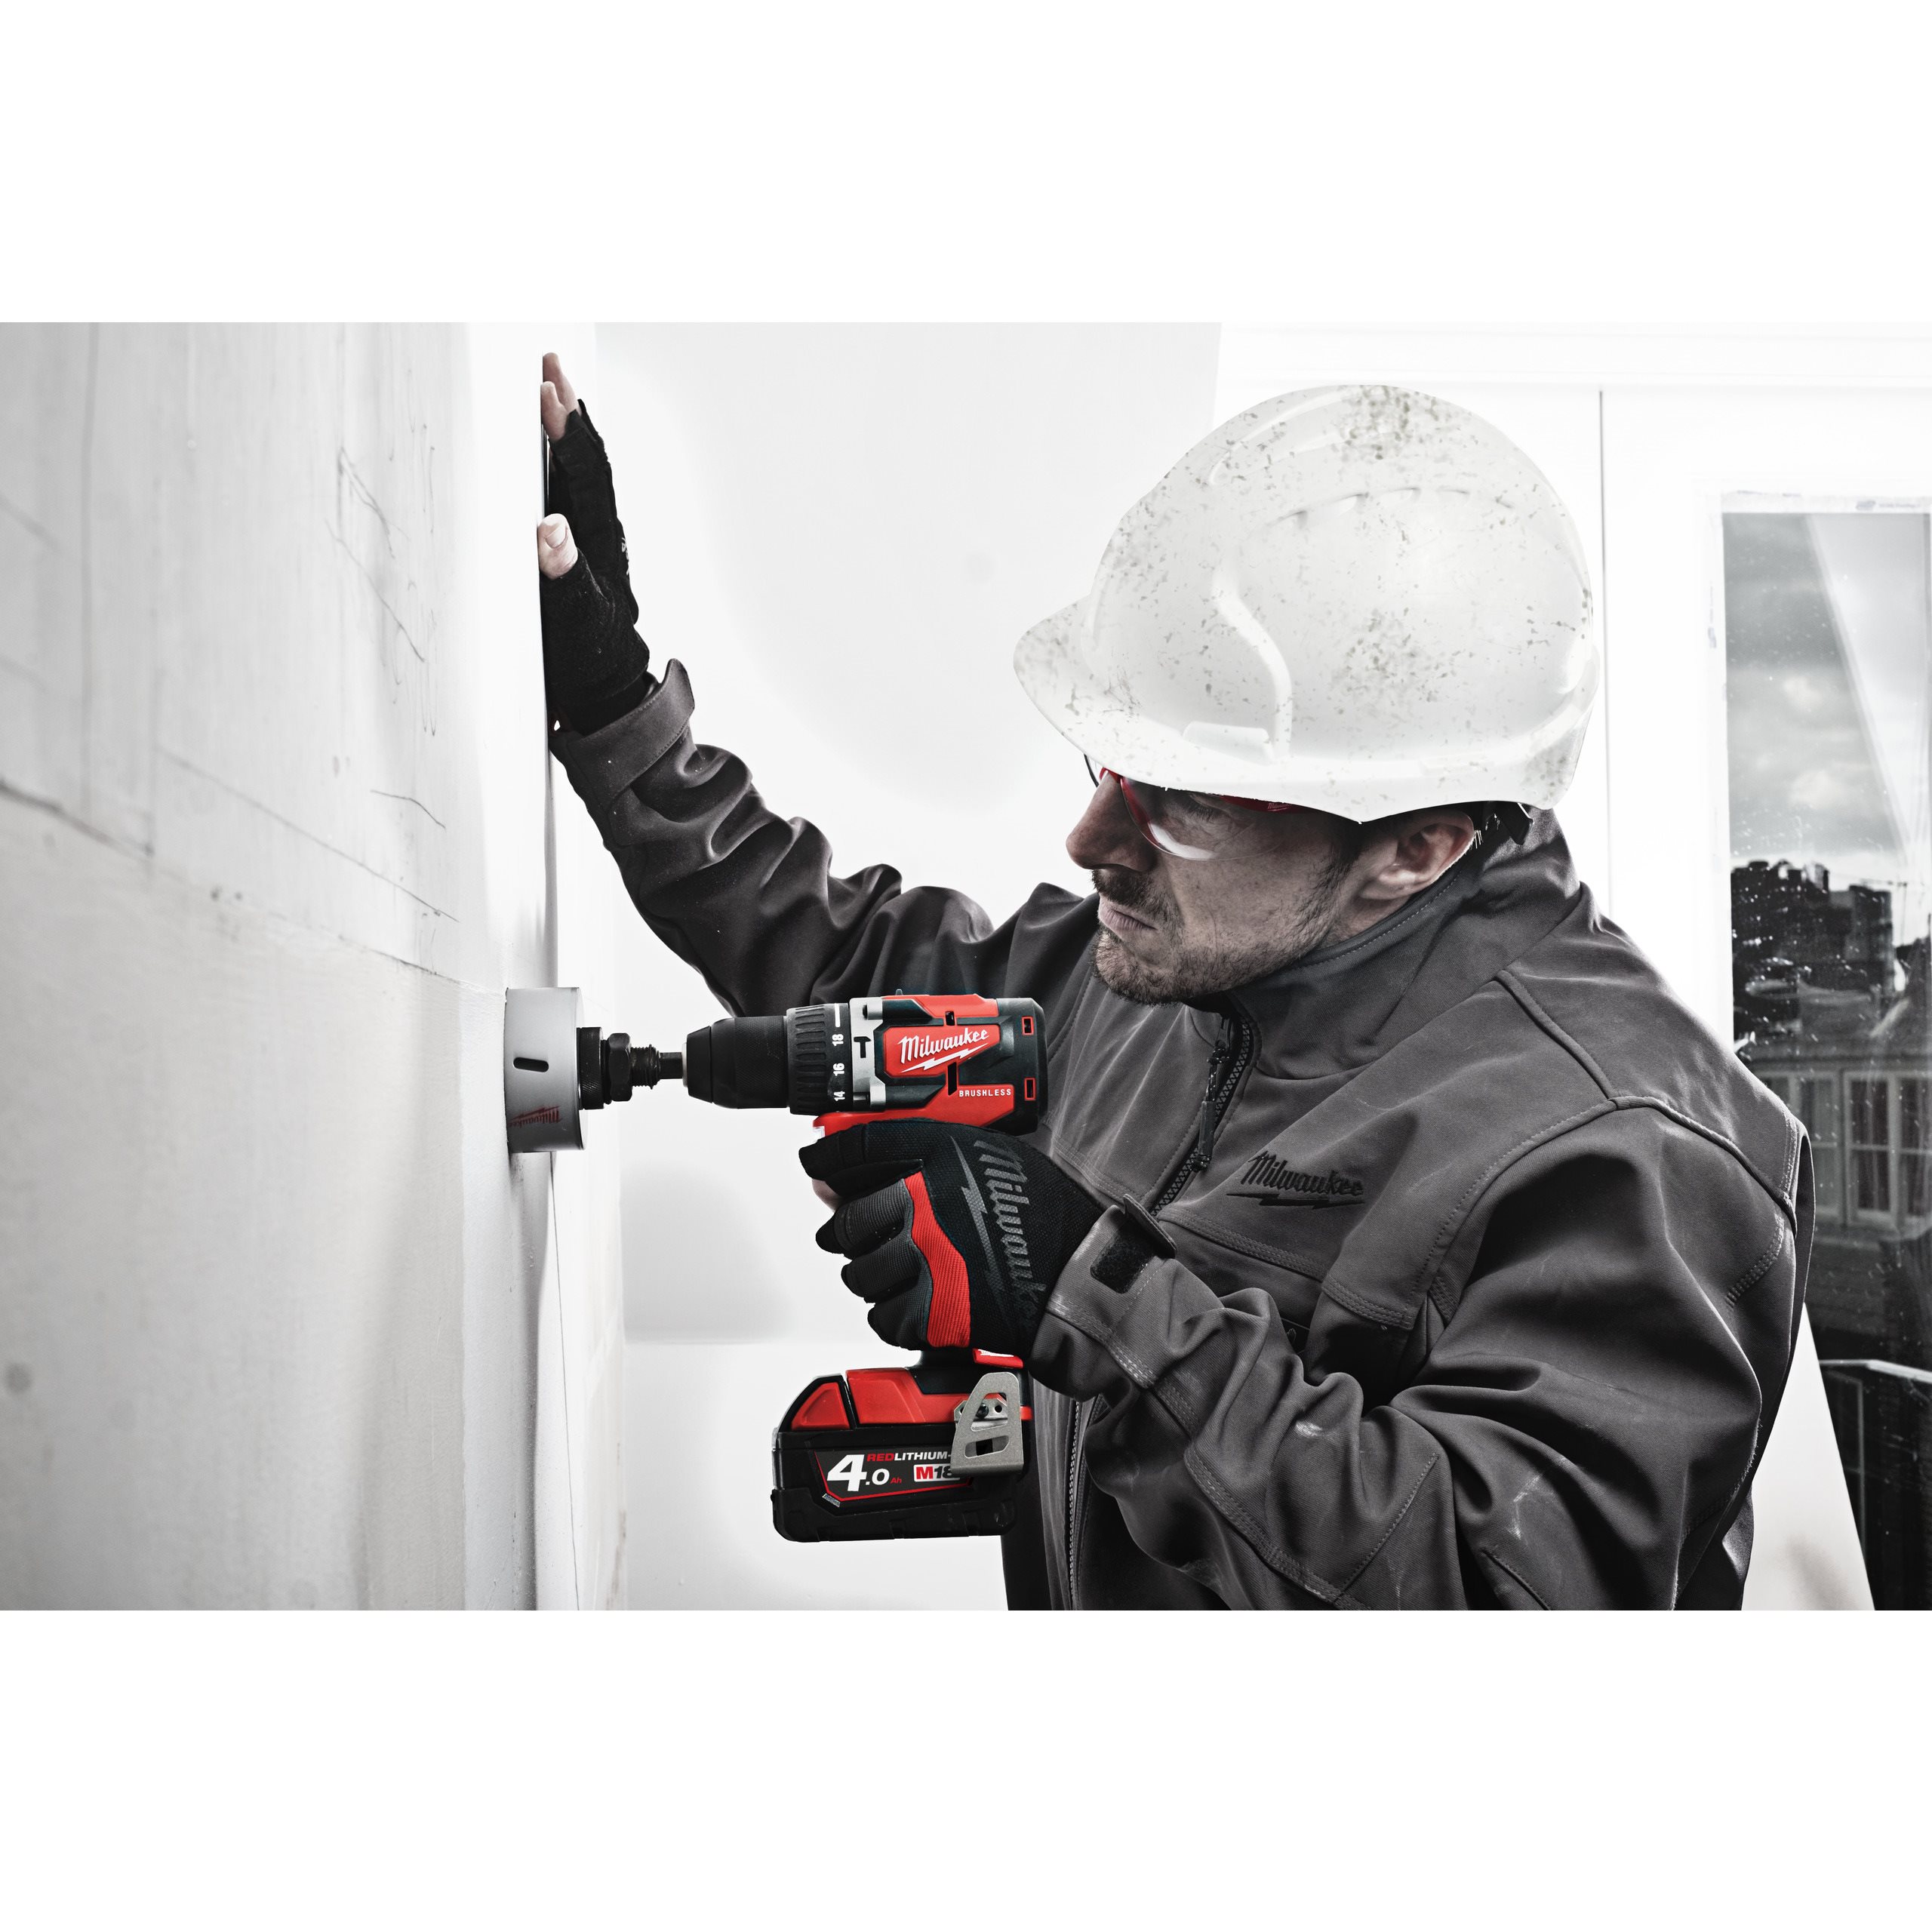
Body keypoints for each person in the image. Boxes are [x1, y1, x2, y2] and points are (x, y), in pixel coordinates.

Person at [536, 354, 1811, 1609]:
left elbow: (1489, 1595)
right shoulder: (1164, 982)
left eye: (1185, 805)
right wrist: (616, 705)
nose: (1090, 840)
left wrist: (1094, 1296)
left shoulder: (1631, 1149)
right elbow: (852, 963)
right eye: (1111, 767)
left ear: (1416, 847)